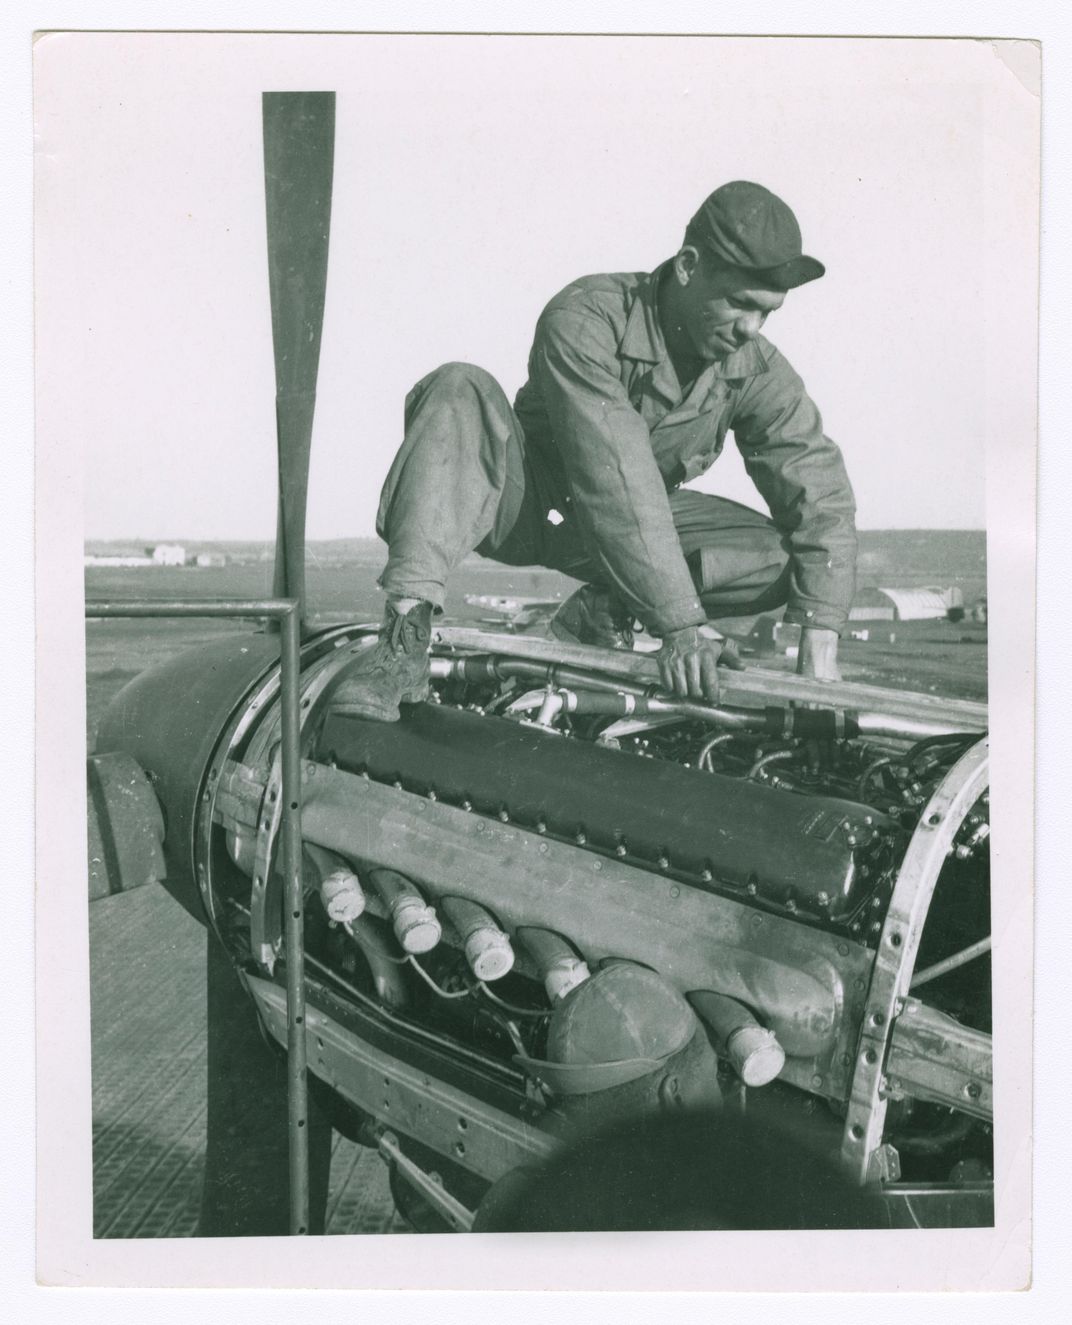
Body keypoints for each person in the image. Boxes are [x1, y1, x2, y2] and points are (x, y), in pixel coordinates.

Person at [332, 181, 857, 722]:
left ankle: (602, 610)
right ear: (687, 265)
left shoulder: (757, 368)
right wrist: (679, 623)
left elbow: (821, 493)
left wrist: (819, 645)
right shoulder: (588, 316)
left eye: (767, 313)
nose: (751, 328)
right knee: (458, 387)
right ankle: (401, 641)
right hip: (524, 504)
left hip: (621, 543)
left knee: (787, 558)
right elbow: (613, 471)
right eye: (740, 304)